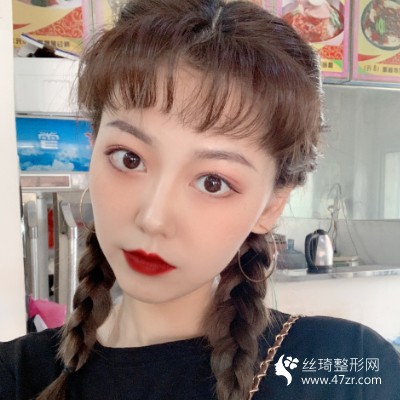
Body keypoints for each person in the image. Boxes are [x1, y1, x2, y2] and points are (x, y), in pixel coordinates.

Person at [1, 0, 399, 399]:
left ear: (272, 205)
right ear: (93, 149)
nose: (153, 218)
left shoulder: (347, 367)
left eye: (213, 182)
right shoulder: (14, 374)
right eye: (129, 159)